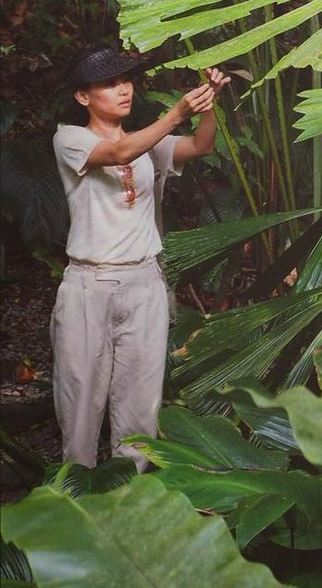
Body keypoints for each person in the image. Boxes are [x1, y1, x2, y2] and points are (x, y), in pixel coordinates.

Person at [51, 46, 229, 469]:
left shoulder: (150, 144)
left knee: (141, 401)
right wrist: (176, 113)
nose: (124, 89)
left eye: (126, 80)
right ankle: (75, 491)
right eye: (109, 83)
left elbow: (201, 146)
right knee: (80, 398)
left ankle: (131, 490)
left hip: (145, 282)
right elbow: (117, 154)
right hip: (90, 284)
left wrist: (208, 103)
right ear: (83, 96)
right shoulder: (70, 139)